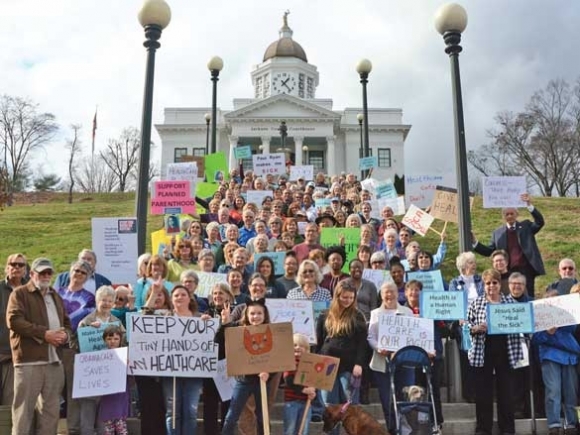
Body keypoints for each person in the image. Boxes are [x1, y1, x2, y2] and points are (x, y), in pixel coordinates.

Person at [6, 257, 71, 435]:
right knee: (23, 413)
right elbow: (14, 321)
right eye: (42, 272)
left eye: (49, 272)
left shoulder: (55, 296)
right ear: (32, 273)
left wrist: (65, 334)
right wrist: (45, 334)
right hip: (29, 362)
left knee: (51, 413)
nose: (45, 275)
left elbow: (66, 323)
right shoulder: (19, 294)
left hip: (54, 362)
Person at [467, 269, 523, 435]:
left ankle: (507, 428)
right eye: (488, 283)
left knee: (505, 391)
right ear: (484, 285)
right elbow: (465, 326)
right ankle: (483, 428)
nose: (491, 286)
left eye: (495, 282)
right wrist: (475, 328)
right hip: (483, 348)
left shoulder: (510, 303)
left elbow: (521, 322)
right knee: (483, 391)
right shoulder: (476, 304)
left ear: (500, 285)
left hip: (506, 348)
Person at [315, 280, 367, 435]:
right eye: (344, 297)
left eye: (351, 297)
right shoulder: (325, 315)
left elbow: (362, 344)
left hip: (349, 366)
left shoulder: (357, 316)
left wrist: (359, 364)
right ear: (337, 296)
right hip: (327, 365)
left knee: (350, 406)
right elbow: (319, 341)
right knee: (329, 405)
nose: (348, 300)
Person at [473, 193, 545, 298]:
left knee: (528, 298)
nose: (510, 216)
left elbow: (539, 222)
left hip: (526, 271)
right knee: (508, 298)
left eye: (512, 213)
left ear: (517, 214)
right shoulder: (498, 233)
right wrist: (475, 242)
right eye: (507, 214)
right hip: (507, 272)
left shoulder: (526, 226)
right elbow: (489, 251)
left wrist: (529, 205)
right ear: (503, 216)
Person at [219, 298, 273, 435]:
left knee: (263, 417)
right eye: (252, 314)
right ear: (247, 315)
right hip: (243, 380)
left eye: (259, 313)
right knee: (231, 416)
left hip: (261, 380)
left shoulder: (271, 330)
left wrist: (269, 373)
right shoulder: (237, 328)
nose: (256, 317)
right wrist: (225, 323)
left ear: (264, 315)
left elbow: (277, 358)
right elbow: (219, 341)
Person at [77, 285, 124, 435]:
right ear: (97, 301)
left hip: (110, 377)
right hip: (91, 376)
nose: (107, 303)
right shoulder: (86, 322)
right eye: (103, 300)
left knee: (105, 419)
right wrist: (89, 330)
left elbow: (124, 344)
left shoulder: (117, 323)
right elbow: (75, 344)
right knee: (88, 416)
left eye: (110, 301)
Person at [56, 259, 96, 435]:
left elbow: (88, 323)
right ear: (70, 271)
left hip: (73, 348)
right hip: (52, 346)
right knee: (51, 389)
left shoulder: (89, 298)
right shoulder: (56, 293)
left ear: (87, 277)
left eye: (83, 272)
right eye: (76, 270)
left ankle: (72, 428)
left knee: (73, 391)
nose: (78, 274)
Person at [533, 289, 580, 435]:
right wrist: (548, 332)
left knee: (571, 392)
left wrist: (559, 325)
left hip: (569, 357)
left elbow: (573, 327)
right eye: (551, 301)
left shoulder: (568, 313)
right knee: (553, 391)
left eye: (556, 300)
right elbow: (535, 339)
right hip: (549, 357)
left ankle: (571, 424)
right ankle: (554, 424)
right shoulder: (540, 315)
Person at [368, 282, 413, 432]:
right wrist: (379, 348)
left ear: (397, 293)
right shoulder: (375, 313)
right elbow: (371, 337)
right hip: (382, 362)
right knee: (387, 400)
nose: (389, 295)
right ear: (381, 295)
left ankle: (405, 430)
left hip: (404, 363)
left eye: (392, 292)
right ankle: (393, 430)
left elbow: (413, 334)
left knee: (405, 398)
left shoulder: (407, 311)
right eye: (386, 292)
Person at [161, 285, 204, 435]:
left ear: (189, 298)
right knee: (172, 413)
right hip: (171, 373)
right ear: (171, 300)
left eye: (183, 294)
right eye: (176, 295)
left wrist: (210, 325)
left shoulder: (200, 318)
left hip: (194, 373)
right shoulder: (165, 319)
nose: (179, 297)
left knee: (191, 412)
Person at [448, 251, 484, 402]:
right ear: (462, 266)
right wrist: (462, 320)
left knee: (483, 359)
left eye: (474, 262)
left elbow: (484, 299)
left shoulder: (480, 280)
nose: (474, 265)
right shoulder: (455, 283)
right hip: (464, 324)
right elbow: (453, 303)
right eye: (470, 262)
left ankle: (482, 389)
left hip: (481, 321)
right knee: (467, 359)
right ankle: (469, 393)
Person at [202, 283, 235, 434]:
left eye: (221, 293)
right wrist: (202, 324)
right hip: (210, 366)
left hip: (229, 366)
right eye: (215, 293)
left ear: (229, 295)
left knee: (227, 405)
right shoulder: (207, 313)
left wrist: (227, 323)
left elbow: (232, 338)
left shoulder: (236, 313)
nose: (217, 296)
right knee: (209, 406)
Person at [0, 253, 28, 407]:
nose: (16, 267)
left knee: (10, 401)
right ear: (7, 268)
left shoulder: (31, 291)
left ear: (25, 270)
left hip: (20, 356)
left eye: (20, 265)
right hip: (1, 352)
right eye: (13, 264)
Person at [98, 325, 130, 435]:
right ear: (104, 340)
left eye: (116, 339)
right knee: (108, 428)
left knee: (121, 427)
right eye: (109, 338)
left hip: (121, 396)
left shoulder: (126, 355)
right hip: (107, 397)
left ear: (121, 340)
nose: (112, 341)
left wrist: (129, 365)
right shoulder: (100, 357)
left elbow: (132, 377)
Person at [283, 334, 316, 435]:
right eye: (294, 345)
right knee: (290, 430)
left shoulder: (310, 363)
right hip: (291, 403)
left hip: (306, 402)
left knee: (303, 430)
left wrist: (313, 391)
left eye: (301, 346)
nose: (297, 347)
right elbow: (289, 380)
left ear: (306, 349)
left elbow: (315, 380)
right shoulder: (290, 362)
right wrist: (304, 390)